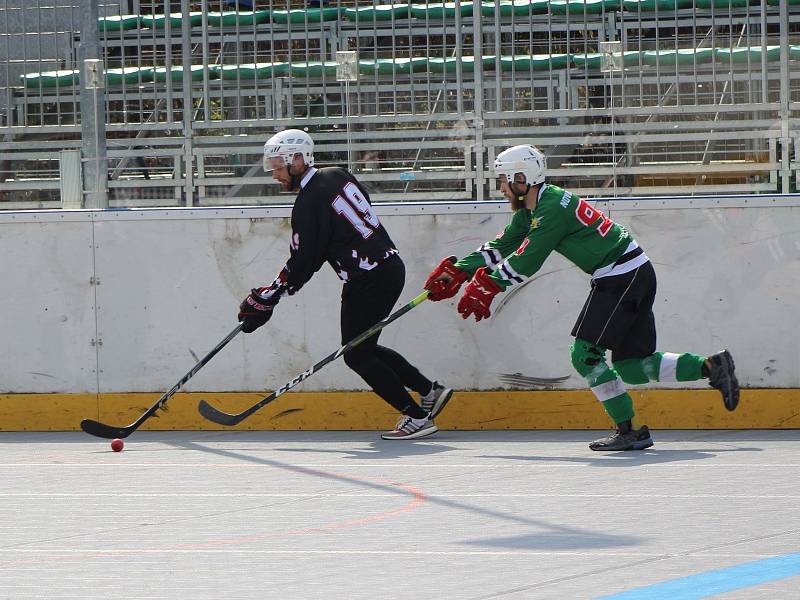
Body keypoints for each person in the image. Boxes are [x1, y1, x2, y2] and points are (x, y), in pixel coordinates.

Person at [423, 144, 739, 451]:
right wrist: (461, 270)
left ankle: (627, 431)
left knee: (585, 354)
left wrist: (489, 285)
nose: (501, 187)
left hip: (621, 277)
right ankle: (711, 367)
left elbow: (528, 259)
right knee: (631, 367)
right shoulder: (537, 205)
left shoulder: (549, 211)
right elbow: (506, 243)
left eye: (504, 179)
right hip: (631, 274)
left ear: (523, 179)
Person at [238, 129, 453, 440]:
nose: (275, 174)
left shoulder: (308, 202)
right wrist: (276, 292)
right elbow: (335, 234)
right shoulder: (336, 175)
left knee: (356, 354)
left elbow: (305, 259)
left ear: (298, 159)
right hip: (388, 268)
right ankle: (428, 390)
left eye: (278, 166)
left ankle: (417, 416)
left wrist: (270, 294)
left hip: (369, 279)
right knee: (364, 347)